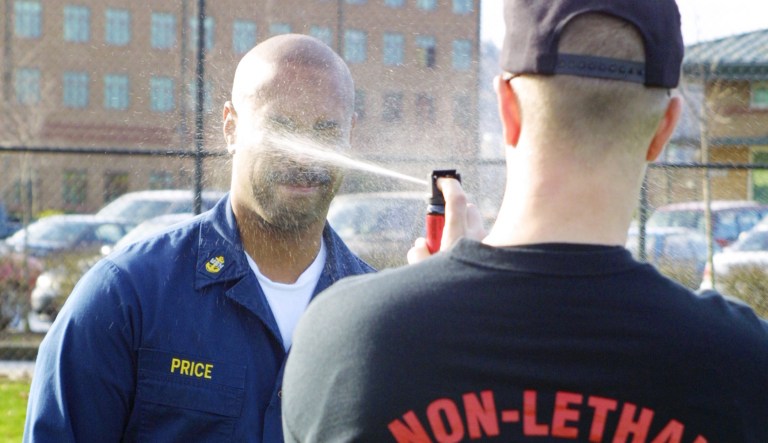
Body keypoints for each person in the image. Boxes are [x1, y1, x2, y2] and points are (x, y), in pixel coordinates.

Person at [282, 1, 768, 441]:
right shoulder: (742, 366)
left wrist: (423, 300)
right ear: (663, 130)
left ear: (507, 109)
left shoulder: (344, 339)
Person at [24, 34, 374, 442]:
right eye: (280, 127)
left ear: (351, 136)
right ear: (231, 127)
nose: (302, 154)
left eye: (325, 131)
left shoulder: (378, 317)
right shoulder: (126, 295)